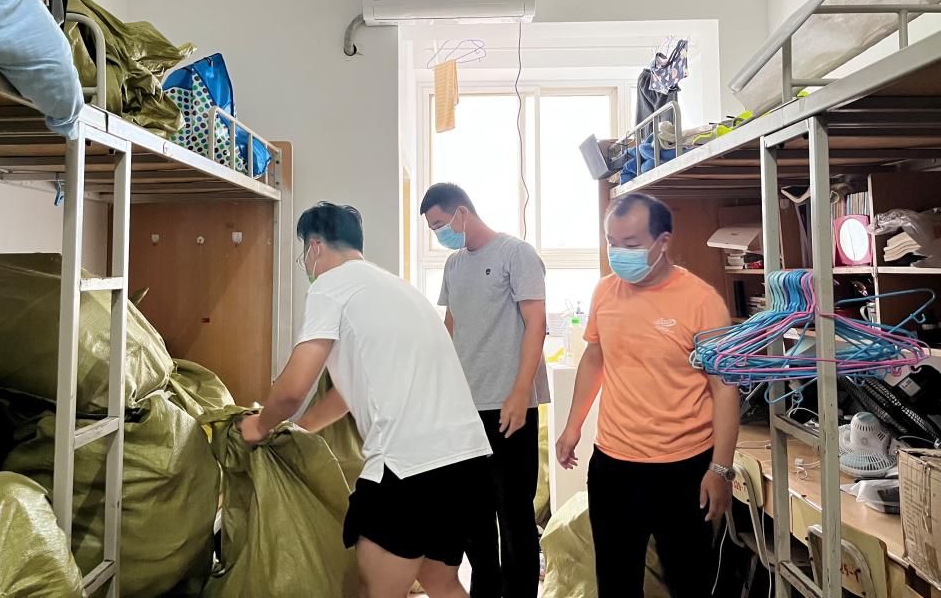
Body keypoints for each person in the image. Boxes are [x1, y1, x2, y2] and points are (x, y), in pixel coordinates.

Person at [239, 202, 493, 598]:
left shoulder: (330, 286)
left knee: (375, 589)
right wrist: (300, 430)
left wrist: (258, 426)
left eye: (304, 253)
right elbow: (351, 390)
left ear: (315, 246)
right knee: (441, 583)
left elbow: (292, 388)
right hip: (467, 461)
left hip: (409, 468)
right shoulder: (397, 288)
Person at [555, 192, 739, 598]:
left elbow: (725, 388)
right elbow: (595, 358)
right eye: (612, 242)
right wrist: (572, 426)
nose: (619, 253)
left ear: (663, 241)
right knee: (616, 583)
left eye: (631, 244)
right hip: (614, 466)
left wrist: (721, 469)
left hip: (684, 468)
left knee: (689, 583)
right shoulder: (605, 291)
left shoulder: (702, 301)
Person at [420, 182, 548, 598]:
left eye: (440, 224)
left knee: (514, 518)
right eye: (432, 228)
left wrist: (520, 393)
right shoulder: (454, 265)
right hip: (465, 410)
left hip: (509, 407)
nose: (438, 233)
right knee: (473, 520)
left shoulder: (516, 254)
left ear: (462, 212)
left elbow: (536, 324)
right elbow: (451, 327)